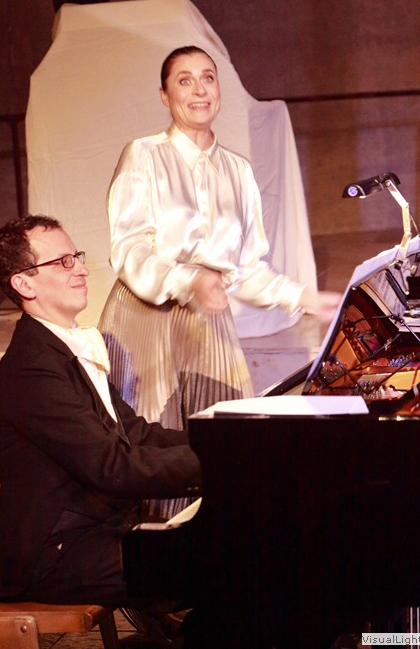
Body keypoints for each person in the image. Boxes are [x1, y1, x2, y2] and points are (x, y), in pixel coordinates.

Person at [99, 45, 340, 446]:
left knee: (226, 443)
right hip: (145, 319)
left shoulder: (238, 170)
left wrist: (304, 298)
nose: (200, 90)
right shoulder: (143, 155)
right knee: (152, 447)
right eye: (185, 80)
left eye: (208, 78)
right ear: (164, 95)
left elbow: (245, 270)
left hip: (208, 322)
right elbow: (130, 250)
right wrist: (189, 280)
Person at [0, 214, 201, 613]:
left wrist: (223, 439)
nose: (81, 269)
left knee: (234, 548)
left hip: (96, 532)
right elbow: (113, 467)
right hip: (57, 554)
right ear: (24, 283)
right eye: (63, 262)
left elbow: (136, 433)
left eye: (77, 257)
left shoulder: (62, 349)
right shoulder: (31, 368)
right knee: (220, 561)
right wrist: (222, 460)